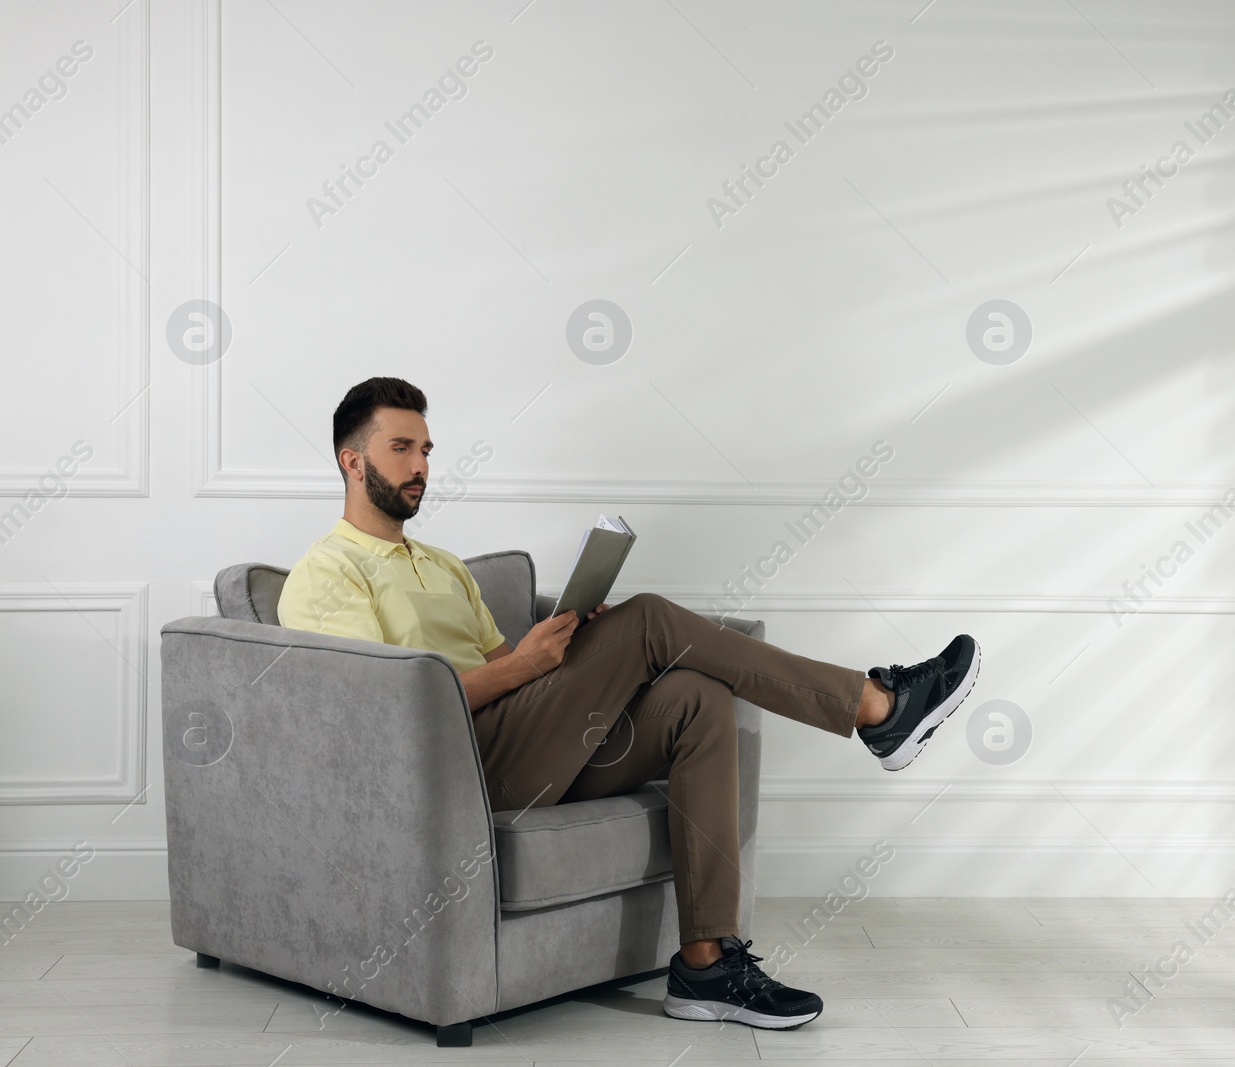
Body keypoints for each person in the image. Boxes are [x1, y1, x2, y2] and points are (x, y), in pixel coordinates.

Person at [277, 377, 981, 1030]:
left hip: (525, 743)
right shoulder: (326, 570)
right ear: (350, 460)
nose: (420, 464)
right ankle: (876, 707)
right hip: (453, 769)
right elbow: (389, 707)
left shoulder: (442, 566)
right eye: (400, 448)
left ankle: (705, 965)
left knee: (694, 697)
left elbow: (503, 669)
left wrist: (571, 646)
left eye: (425, 448)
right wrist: (537, 662)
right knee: (648, 618)